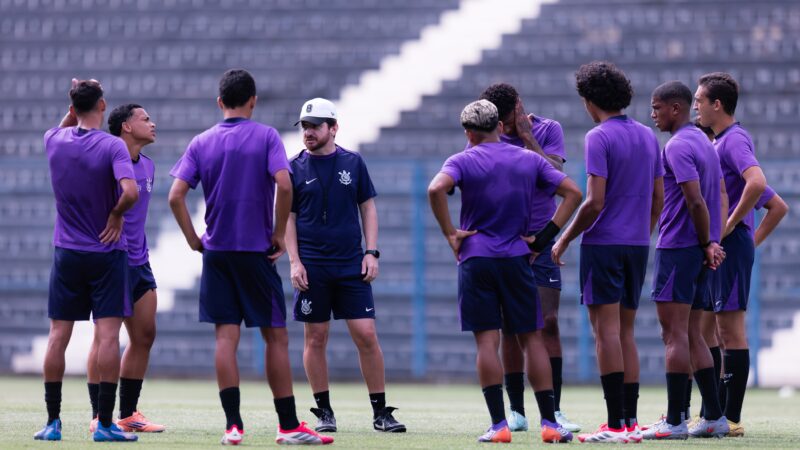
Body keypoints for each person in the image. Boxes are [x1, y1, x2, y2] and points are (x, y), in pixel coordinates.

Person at [168, 69, 332, 446]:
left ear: (220, 102)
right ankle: (288, 425)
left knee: (225, 338)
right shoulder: (266, 136)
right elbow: (285, 184)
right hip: (255, 252)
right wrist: (278, 235)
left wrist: (195, 239)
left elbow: (176, 195)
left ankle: (233, 426)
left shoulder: (202, 141)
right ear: (253, 101)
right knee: (275, 338)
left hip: (217, 252)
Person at [428, 99, 581, 444]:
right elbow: (573, 192)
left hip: (476, 258)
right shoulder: (527, 159)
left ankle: (499, 426)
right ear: (500, 126)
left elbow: (435, 188)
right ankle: (550, 423)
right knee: (531, 338)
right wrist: (543, 238)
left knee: (487, 341)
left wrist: (450, 233)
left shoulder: (461, 160)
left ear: (468, 132)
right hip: (517, 256)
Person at [552, 61, 664, 443]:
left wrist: (564, 237)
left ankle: (615, 424)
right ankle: (630, 423)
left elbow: (594, 202)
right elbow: (658, 200)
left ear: (588, 100)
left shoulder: (598, 137)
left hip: (603, 245)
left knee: (605, 333)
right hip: (636, 245)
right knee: (626, 333)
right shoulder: (649, 136)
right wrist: (640, 235)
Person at [286, 98, 405, 433]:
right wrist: (295, 262)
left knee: (366, 335)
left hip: (351, 264)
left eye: (315, 126)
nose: (308, 132)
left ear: (333, 128)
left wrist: (372, 252)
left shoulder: (353, 163)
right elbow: (288, 219)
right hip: (313, 266)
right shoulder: (293, 167)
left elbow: (368, 208)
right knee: (316, 337)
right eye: (305, 126)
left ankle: (381, 412)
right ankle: (324, 412)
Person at [36, 79, 139, 442]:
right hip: (106, 252)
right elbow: (131, 192)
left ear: (72, 107)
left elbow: (66, 123)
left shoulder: (54, 140)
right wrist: (115, 216)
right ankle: (105, 424)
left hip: (67, 252)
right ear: (103, 106)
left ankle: (52, 422)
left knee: (57, 337)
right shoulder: (112, 146)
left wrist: (74, 103)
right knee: (108, 336)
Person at [476, 83, 580, 433]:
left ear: (518, 109)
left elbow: (558, 178)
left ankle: (556, 409)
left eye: (506, 118)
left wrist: (527, 137)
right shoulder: (486, 136)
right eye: (498, 120)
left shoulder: (548, 130)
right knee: (510, 327)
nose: (502, 125)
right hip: (506, 244)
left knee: (547, 322)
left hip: (541, 240)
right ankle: (517, 409)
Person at [643, 81, 729, 439]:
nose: (653, 115)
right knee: (694, 333)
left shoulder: (677, 146)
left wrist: (707, 240)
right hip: (695, 249)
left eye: (657, 108)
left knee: (673, 334)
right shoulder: (704, 143)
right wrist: (709, 242)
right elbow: (717, 195)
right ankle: (714, 417)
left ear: (675, 108)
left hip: (679, 247)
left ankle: (676, 419)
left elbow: (695, 201)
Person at [694, 71, 767, 437]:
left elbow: (758, 183)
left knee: (730, 331)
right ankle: (716, 413)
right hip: (732, 246)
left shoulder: (733, 140)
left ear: (716, 104)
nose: (695, 106)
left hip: (730, 243)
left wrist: (732, 227)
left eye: (699, 100)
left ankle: (731, 418)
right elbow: (774, 203)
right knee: (717, 329)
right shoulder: (721, 141)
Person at [85, 104, 164, 434]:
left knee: (145, 334)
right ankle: (97, 414)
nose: (152, 123)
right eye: (145, 119)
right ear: (126, 127)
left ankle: (129, 413)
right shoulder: (104, 163)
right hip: (111, 261)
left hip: (139, 261)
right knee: (105, 338)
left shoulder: (148, 166)